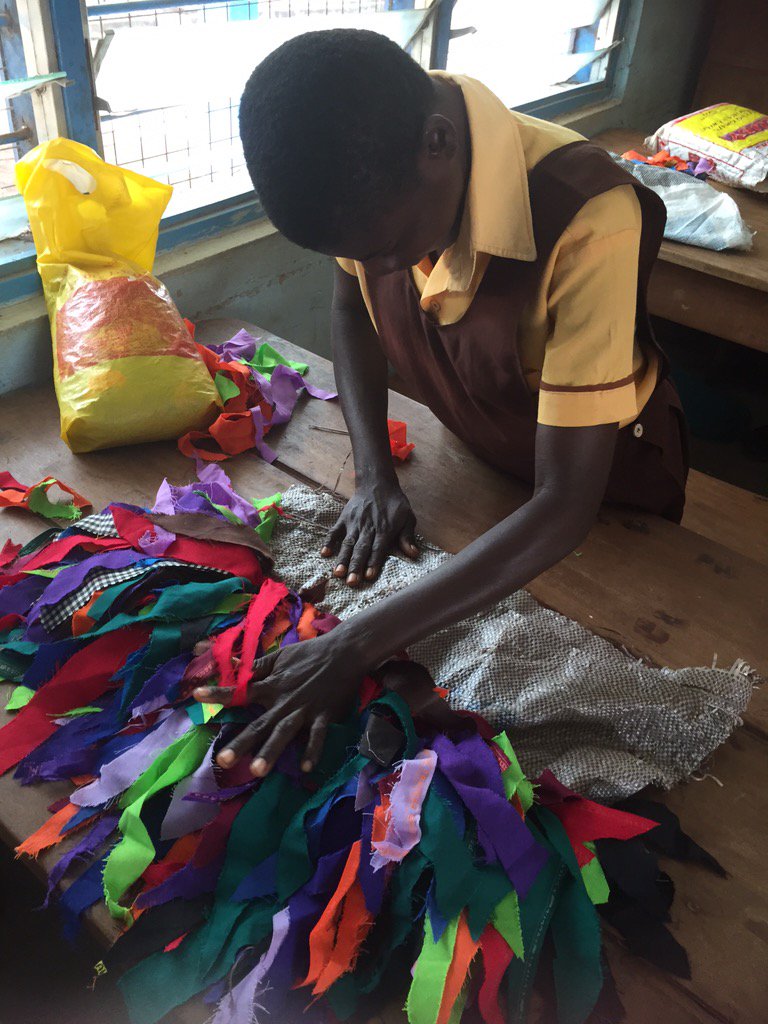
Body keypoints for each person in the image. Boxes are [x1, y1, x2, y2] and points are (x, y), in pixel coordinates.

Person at [192, 28, 688, 775]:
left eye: (391, 248)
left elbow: (564, 504)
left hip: (609, 493)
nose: (385, 268)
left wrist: (357, 641)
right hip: (482, 453)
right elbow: (353, 307)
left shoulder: (589, 213)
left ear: (438, 144)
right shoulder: (365, 157)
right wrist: (374, 477)